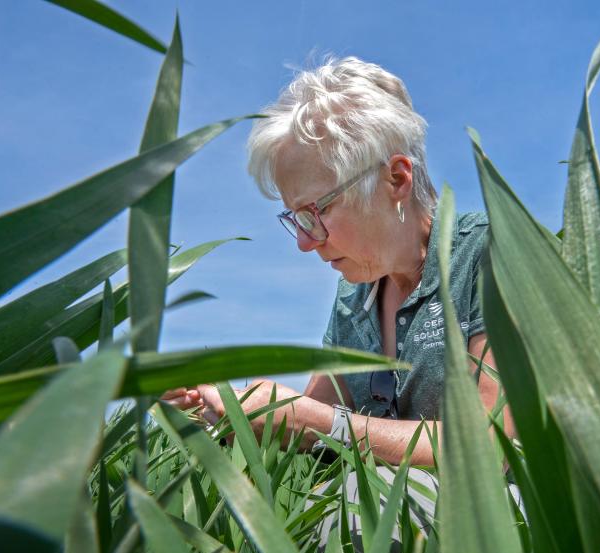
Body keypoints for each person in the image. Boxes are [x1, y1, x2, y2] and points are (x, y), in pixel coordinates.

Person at [161, 57, 512, 467]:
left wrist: (326, 426)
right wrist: (228, 414)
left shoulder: (488, 253)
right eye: (297, 219)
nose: (306, 244)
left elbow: (492, 441)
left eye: (317, 211)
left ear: (396, 179)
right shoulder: (354, 295)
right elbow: (303, 430)